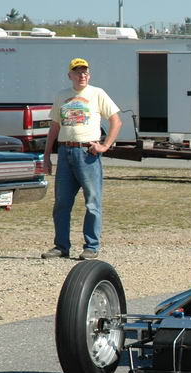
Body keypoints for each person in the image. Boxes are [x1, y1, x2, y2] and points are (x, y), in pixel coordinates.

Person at [41, 57, 121, 260]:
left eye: (85, 72)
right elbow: (55, 127)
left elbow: (116, 121)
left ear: (89, 75)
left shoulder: (97, 93)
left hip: (87, 154)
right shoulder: (62, 96)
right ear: (70, 75)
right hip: (65, 152)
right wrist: (47, 155)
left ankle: (91, 246)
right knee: (61, 203)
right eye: (77, 72)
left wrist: (104, 146)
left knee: (92, 202)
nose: (82, 75)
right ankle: (61, 246)